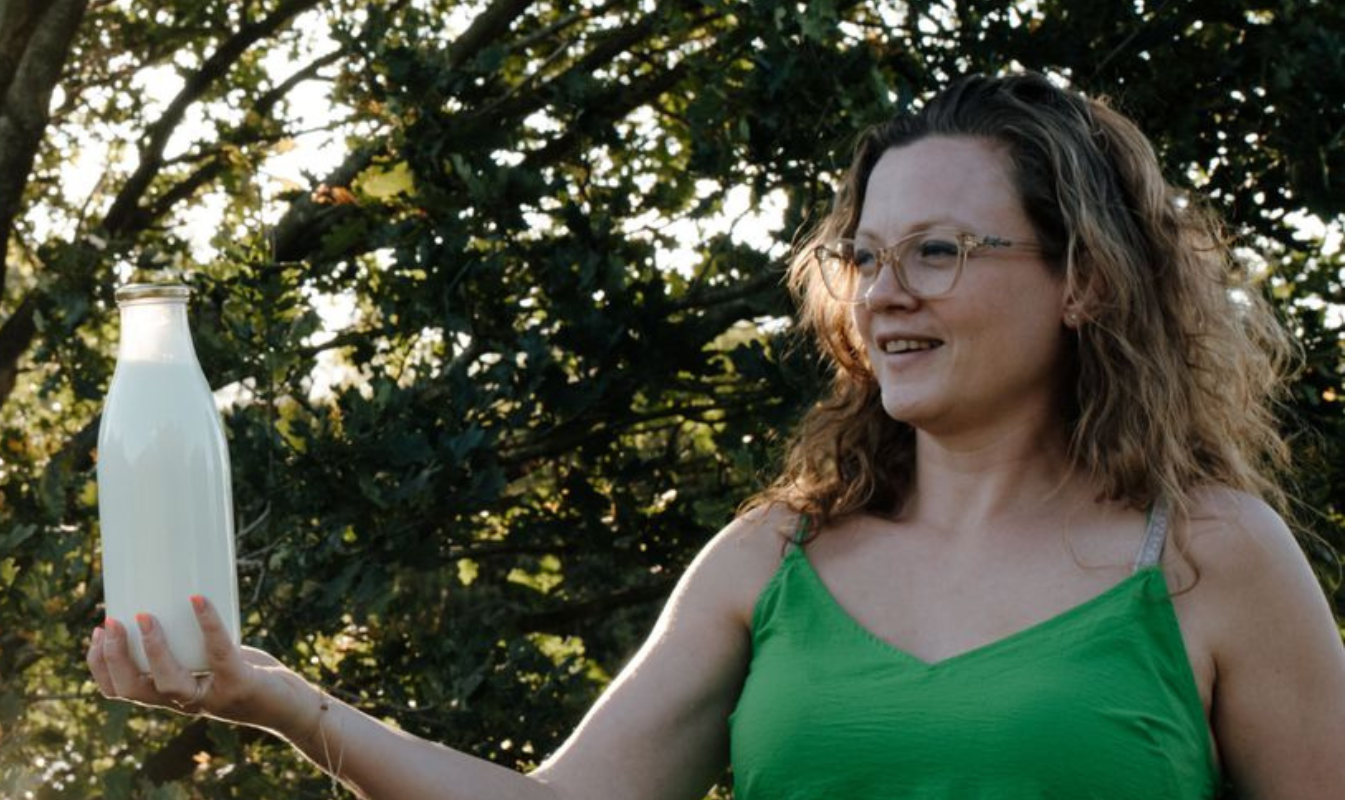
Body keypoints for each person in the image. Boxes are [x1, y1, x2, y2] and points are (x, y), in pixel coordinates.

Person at [85, 74, 1345, 798]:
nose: (884, 288)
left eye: (939, 251)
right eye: (861, 255)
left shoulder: (1206, 558)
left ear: (1081, 280)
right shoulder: (772, 560)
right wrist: (280, 699)